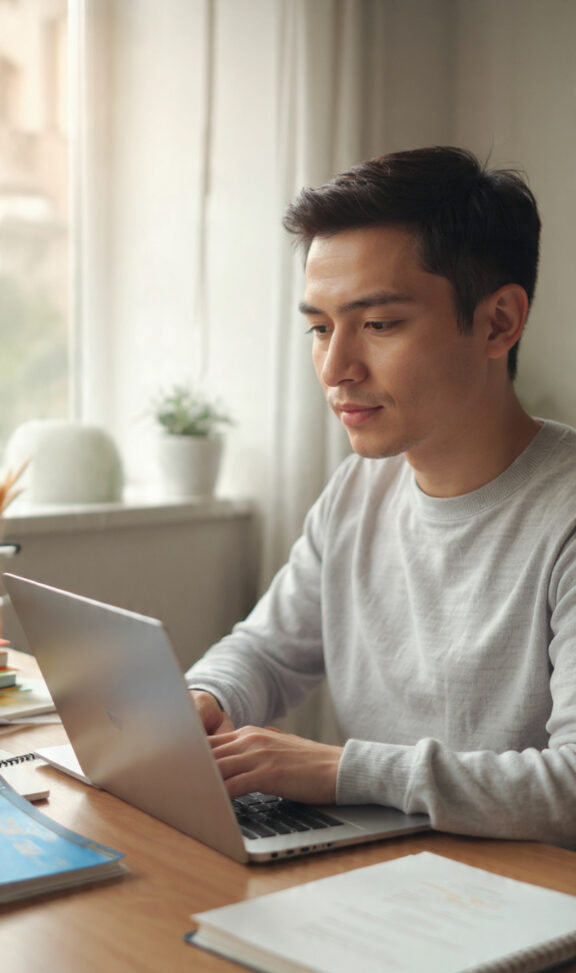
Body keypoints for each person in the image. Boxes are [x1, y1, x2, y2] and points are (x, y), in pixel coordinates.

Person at [186, 146, 576, 846]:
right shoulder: (359, 490)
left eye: (379, 324)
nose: (335, 367)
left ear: (499, 323)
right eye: (318, 327)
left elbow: (571, 787)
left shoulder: (564, 512)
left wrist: (343, 772)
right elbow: (267, 653)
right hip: (388, 872)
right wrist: (203, 701)